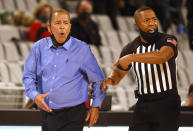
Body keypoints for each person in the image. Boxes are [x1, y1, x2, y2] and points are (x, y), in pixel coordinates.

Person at [23, 9, 105, 131]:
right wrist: (35, 96)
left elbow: (98, 80)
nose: (62, 27)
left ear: (70, 27)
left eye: (65, 23)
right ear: (49, 27)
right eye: (58, 23)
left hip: (73, 114)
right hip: (47, 113)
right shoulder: (38, 48)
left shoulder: (81, 49)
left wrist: (95, 106)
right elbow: (28, 77)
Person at [101, 7, 181, 131]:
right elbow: (118, 74)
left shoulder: (168, 39)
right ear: (136, 25)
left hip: (167, 102)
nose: (152, 23)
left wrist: (132, 58)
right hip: (143, 103)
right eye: (146, 20)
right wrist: (109, 80)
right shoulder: (130, 48)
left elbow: (162, 56)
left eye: (154, 19)